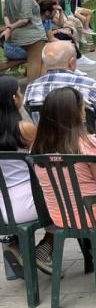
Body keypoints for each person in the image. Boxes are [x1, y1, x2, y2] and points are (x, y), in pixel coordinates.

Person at [30, 87, 96, 227]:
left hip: (60, 217)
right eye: (83, 107)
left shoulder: (37, 146)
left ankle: (92, 248)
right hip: (95, 214)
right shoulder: (85, 145)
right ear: (76, 112)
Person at [0, 75, 48, 275]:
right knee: (66, 199)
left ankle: (15, 242)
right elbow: (44, 158)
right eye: (19, 93)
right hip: (27, 203)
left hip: (3, 207)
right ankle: (46, 248)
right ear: (13, 99)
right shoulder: (24, 129)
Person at [25, 41, 96, 128]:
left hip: (48, 141)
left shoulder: (31, 87)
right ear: (71, 62)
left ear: (45, 63)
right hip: (88, 140)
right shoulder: (89, 85)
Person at [3, 0, 47, 80]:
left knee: (39, 61)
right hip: (32, 35)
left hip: (17, 36)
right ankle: (34, 89)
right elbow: (24, 19)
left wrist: (9, 27)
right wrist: (12, 26)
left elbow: (6, 14)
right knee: (36, 62)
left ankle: (38, 86)